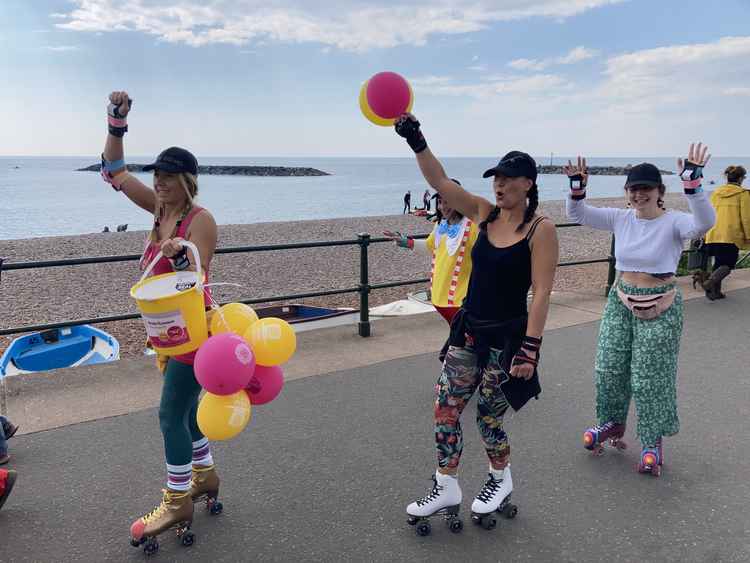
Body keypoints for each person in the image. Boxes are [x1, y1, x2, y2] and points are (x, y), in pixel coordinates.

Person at [394, 114, 558, 530]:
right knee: (446, 409)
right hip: (468, 331)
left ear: (529, 184)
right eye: (496, 179)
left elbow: (541, 292)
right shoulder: (484, 214)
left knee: (488, 416)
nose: (499, 186)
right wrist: (416, 139)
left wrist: (531, 348)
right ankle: (446, 483)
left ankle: (499, 478)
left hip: (508, 340)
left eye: (509, 179)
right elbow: (442, 184)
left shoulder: (540, 228)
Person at [100, 91, 220, 549]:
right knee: (187, 414)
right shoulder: (157, 210)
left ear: (187, 181)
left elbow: (199, 273)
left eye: (169, 177)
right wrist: (116, 122)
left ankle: (177, 499)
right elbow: (114, 173)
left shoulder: (199, 220)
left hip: (192, 334)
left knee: (169, 415)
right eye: (158, 175)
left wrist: (180, 255)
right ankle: (205, 475)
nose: (161, 182)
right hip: (165, 334)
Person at [565, 146, 715, 476]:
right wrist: (577, 189)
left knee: (649, 378)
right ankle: (611, 424)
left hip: (660, 301)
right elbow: (578, 215)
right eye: (634, 188)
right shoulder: (621, 218)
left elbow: (705, 222)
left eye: (646, 187)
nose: (639, 193)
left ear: (661, 192)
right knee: (608, 367)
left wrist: (694, 186)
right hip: (621, 298)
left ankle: (651, 441)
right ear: (627, 193)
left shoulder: (675, 222)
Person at [384, 184, 479, 325]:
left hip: (461, 299)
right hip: (439, 296)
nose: (442, 206)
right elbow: (430, 246)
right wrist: (405, 242)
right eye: (440, 202)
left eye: (447, 201)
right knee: (457, 334)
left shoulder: (473, 226)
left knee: (465, 338)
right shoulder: (441, 225)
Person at [701, 165, 749, 299]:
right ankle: (709, 283)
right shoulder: (743, 193)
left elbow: (708, 213)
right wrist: (749, 235)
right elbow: (746, 218)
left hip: (713, 232)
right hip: (730, 234)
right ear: (740, 179)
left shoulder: (716, 192)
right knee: (728, 264)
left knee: (718, 263)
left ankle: (714, 293)